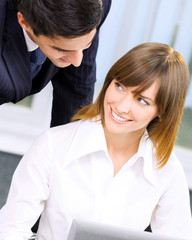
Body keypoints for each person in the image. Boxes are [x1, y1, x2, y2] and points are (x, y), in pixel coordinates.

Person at [0, 42, 192, 240]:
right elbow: (10, 230)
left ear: (161, 111)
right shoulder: (52, 145)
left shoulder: (166, 169)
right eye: (119, 86)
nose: (122, 106)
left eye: (142, 100)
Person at [0, 0, 111, 127]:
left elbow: (76, 86)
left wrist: (67, 141)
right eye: (62, 50)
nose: (77, 61)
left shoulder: (95, 6)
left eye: (86, 45)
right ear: (25, 22)